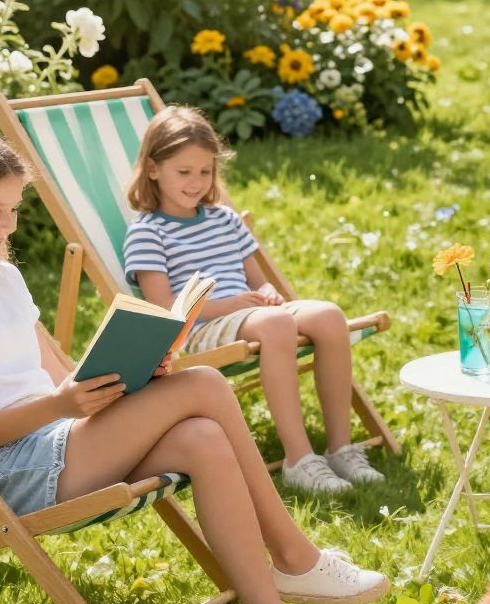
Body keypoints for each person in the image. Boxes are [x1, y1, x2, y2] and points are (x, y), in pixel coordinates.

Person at [0, 125, 387, 604]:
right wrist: (64, 406)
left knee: (203, 437)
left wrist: (132, 376)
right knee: (205, 386)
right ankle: (295, 557)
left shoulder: (2, 277)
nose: (10, 225)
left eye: (15, 210)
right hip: (14, 468)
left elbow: (60, 377)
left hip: (64, 440)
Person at [123, 107, 383, 498]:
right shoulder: (147, 232)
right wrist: (232, 306)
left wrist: (269, 295)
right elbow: (166, 310)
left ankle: (340, 449)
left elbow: (257, 279)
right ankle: (299, 459)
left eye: (205, 171)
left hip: (250, 312)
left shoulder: (225, 220)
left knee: (329, 316)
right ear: (153, 169)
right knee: (275, 324)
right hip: (201, 327)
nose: (196, 182)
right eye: (184, 171)